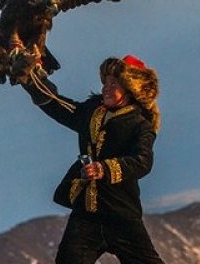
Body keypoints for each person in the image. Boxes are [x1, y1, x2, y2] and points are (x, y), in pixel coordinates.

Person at [20, 54, 164, 264]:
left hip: (122, 217)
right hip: (86, 216)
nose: (106, 87)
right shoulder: (90, 113)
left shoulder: (140, 125)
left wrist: (104, 169)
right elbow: (58, 105)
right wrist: (31, 81)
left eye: (113, 83)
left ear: (131, 89)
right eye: (105, 82)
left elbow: (143, 162)